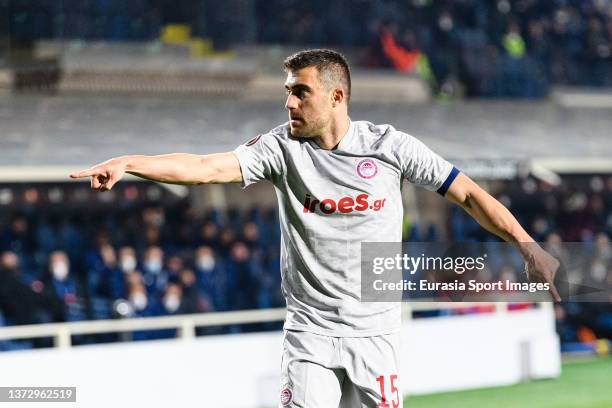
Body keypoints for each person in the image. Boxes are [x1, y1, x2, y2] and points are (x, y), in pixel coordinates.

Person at [70, 49, 560, 408]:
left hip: (376, 335)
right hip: (310, 333)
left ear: (336, 95)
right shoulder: (280, 148)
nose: (289, 104)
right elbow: (206, 166)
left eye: (300, 92)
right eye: (288, 93)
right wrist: (130, 162)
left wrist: (528, 247)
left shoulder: (391, 147)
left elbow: (470, 194)